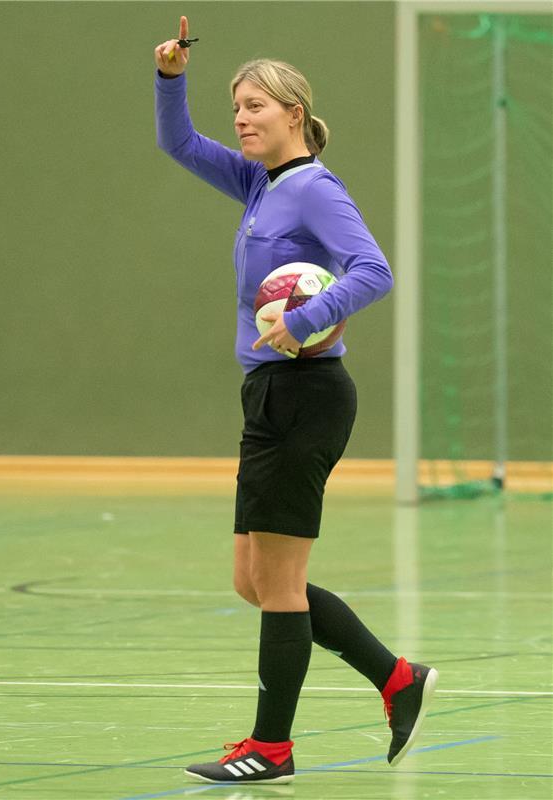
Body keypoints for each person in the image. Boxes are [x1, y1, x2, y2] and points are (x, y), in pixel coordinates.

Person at [154, 16, 438, 786]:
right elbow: (178, 146)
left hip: (307, 394)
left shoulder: (313, 189)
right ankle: (397, 678)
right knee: (252, 580)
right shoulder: (260, 182)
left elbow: (372, 270)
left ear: (293, 113)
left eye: (253, 106)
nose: (240, 118)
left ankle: (270, 749)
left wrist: (304, 320)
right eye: (235, 106)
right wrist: (170, 78)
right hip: (269, 393)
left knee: (275, 583)